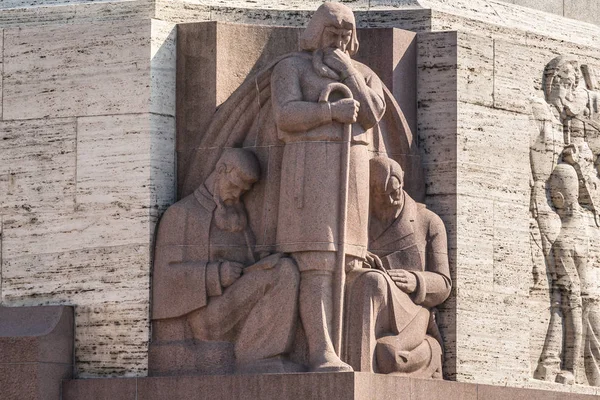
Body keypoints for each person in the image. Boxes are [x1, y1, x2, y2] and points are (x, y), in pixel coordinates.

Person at [270, 2, 386, 372]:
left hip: (351, 171)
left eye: (344, 35)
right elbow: (285, 115)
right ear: (316, 32)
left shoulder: (363, 73)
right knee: (316, 261)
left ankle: (347, 349)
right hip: (309, 170)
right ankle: (320, 350)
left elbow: (371, 115)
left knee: (348, 260)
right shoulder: (291, 67)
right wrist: (329, 114)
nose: (337, 42)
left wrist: (349, 73)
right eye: (331, 34)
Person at [151, 148, 300, 374]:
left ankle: (261, 354)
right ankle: (258, 357)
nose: (237, 195)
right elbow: (165, 278)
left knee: (282, 267)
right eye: (234, 186)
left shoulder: (235, 217)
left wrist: (261, 263)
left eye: (243, 190)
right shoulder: (182, 214)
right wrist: (216, 274)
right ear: (221, 170)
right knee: (284, 272)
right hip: (204, 316)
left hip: (232, 306)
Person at [343, 156, 451, 377]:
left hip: (413, 311)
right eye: (383, 196)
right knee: (371, 281)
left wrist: (415, 280)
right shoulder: (360, 221)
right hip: (375, 301)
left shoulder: (428, 221)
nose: (392, 200)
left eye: (396, 192)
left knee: (388, 354)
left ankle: (430, 352)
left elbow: (444, 284)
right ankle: (361, 370)